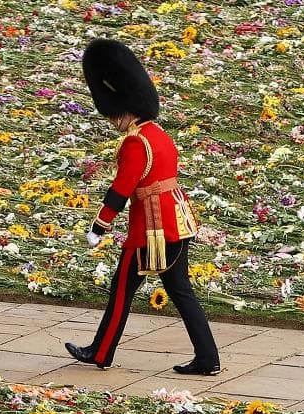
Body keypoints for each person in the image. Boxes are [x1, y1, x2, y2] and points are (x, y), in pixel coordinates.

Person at [64, 38, 220, 375]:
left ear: (123, 108)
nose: (111, 121)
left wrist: (98, 226)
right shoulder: (158, 134)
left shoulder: (136, 142)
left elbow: (121, 189)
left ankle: (101, 352)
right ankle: (208, 357)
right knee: (180, 291)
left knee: (121, 289)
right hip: (177, 222)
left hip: (151, 230)